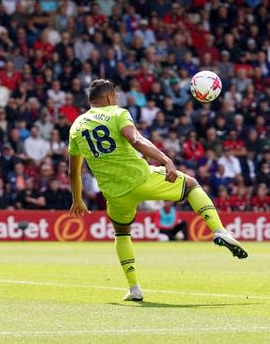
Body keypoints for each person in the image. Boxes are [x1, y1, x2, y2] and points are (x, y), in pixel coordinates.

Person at [68, 79, 247, 302]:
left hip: (114, 193)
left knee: (122, 232)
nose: (118, 99)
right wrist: (165, 159)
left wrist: (77, 200)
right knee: (190, 184)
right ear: (109, 98)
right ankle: (219, 230)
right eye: (116, 96)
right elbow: (136, 139)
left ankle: (134, 288)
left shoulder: (76, 126)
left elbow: (74, 171)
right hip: (141, 178)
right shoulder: (116, 112)